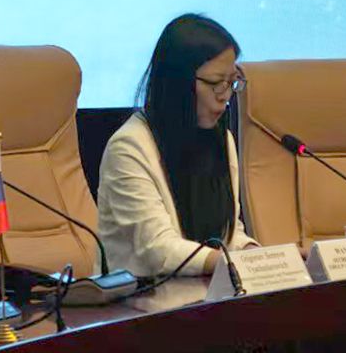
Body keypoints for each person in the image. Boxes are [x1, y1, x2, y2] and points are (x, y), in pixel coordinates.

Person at [97, 14, 257, 281]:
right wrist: (235, 263)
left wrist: (264, 258)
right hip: (142, 300)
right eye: (216, 83)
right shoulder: (129, 148)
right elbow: (157, 249)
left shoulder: (221, 138)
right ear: (178, 83)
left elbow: (229, 235)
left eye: (231, 82)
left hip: (208, 293)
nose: (225, 96)